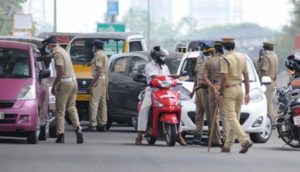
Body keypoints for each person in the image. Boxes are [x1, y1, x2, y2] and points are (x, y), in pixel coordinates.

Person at [135, 46, 186, 146]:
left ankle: (179, 135)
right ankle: (139, 135)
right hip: (152, 91)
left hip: (166, 91)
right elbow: (154, 77)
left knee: (178, 107)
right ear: (156, 56)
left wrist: (176, 77)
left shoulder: (165, 67)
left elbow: (169, 77)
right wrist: (168, 78)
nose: (164, 58)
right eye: (162, 56)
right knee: (144, 109)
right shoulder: (149, 66)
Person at [43, 36, 83, 144]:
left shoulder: (57, 54)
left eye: (47, 46)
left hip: (65, 83)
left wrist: (55, 85)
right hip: (73, 82)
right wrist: (42, 57)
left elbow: (59, 71)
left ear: (50, 45)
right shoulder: (62, 50)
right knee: (71, 108)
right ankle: (78, 128)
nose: (47, 48)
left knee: (60, 110)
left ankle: (60, 135)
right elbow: (50, 56)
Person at [216, 37, 252, 153]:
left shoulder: (224, 59)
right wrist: (247, 93)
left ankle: (245, 140)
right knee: (235, 118)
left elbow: (224, 77)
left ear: (224, 47)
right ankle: (227, 145)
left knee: (231, 117)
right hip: (239, 90)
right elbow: (246, 77)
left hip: (229, 90)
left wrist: (220, 93)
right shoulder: (242, 57)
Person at [83, 40, 109, 132]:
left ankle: (93, 124)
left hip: (99, 79)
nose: (93, 48)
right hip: (104, 79)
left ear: (95, 47)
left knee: (94, 102)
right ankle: (103, 123)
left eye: (93, 46)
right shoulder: (104, 54)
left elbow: (98, 70)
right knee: (103, 102)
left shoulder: (98, 55)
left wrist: (92, 83)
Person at [202, 42, 224, 147]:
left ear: (214, 50)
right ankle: (228, 139)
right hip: (226, 88)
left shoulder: (209, 62)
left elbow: (204, 78)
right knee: (226, 115)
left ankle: (217, 139)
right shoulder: (227, 60)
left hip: (214, 88)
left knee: (214, 116)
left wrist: (213, 87)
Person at [190, 44, 211, 145]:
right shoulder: (199, 58)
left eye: (203, 49)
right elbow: (196, 75)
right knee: (198, 114)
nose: (201, 51)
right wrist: (193, 90)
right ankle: (198, 135)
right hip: (198, 88)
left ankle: (211, 136)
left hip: (206, 89)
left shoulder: (211, 60)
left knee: (209, 114)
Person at [258, 42, 278, 123]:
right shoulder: (275, 56)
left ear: (265, 49)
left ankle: (269, 122)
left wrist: (261, 81)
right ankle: (273, 120)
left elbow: (264, 70)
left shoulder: (267, 57)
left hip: (267, 82)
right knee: (269, 102)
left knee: (266, 103)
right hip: (273, 81)